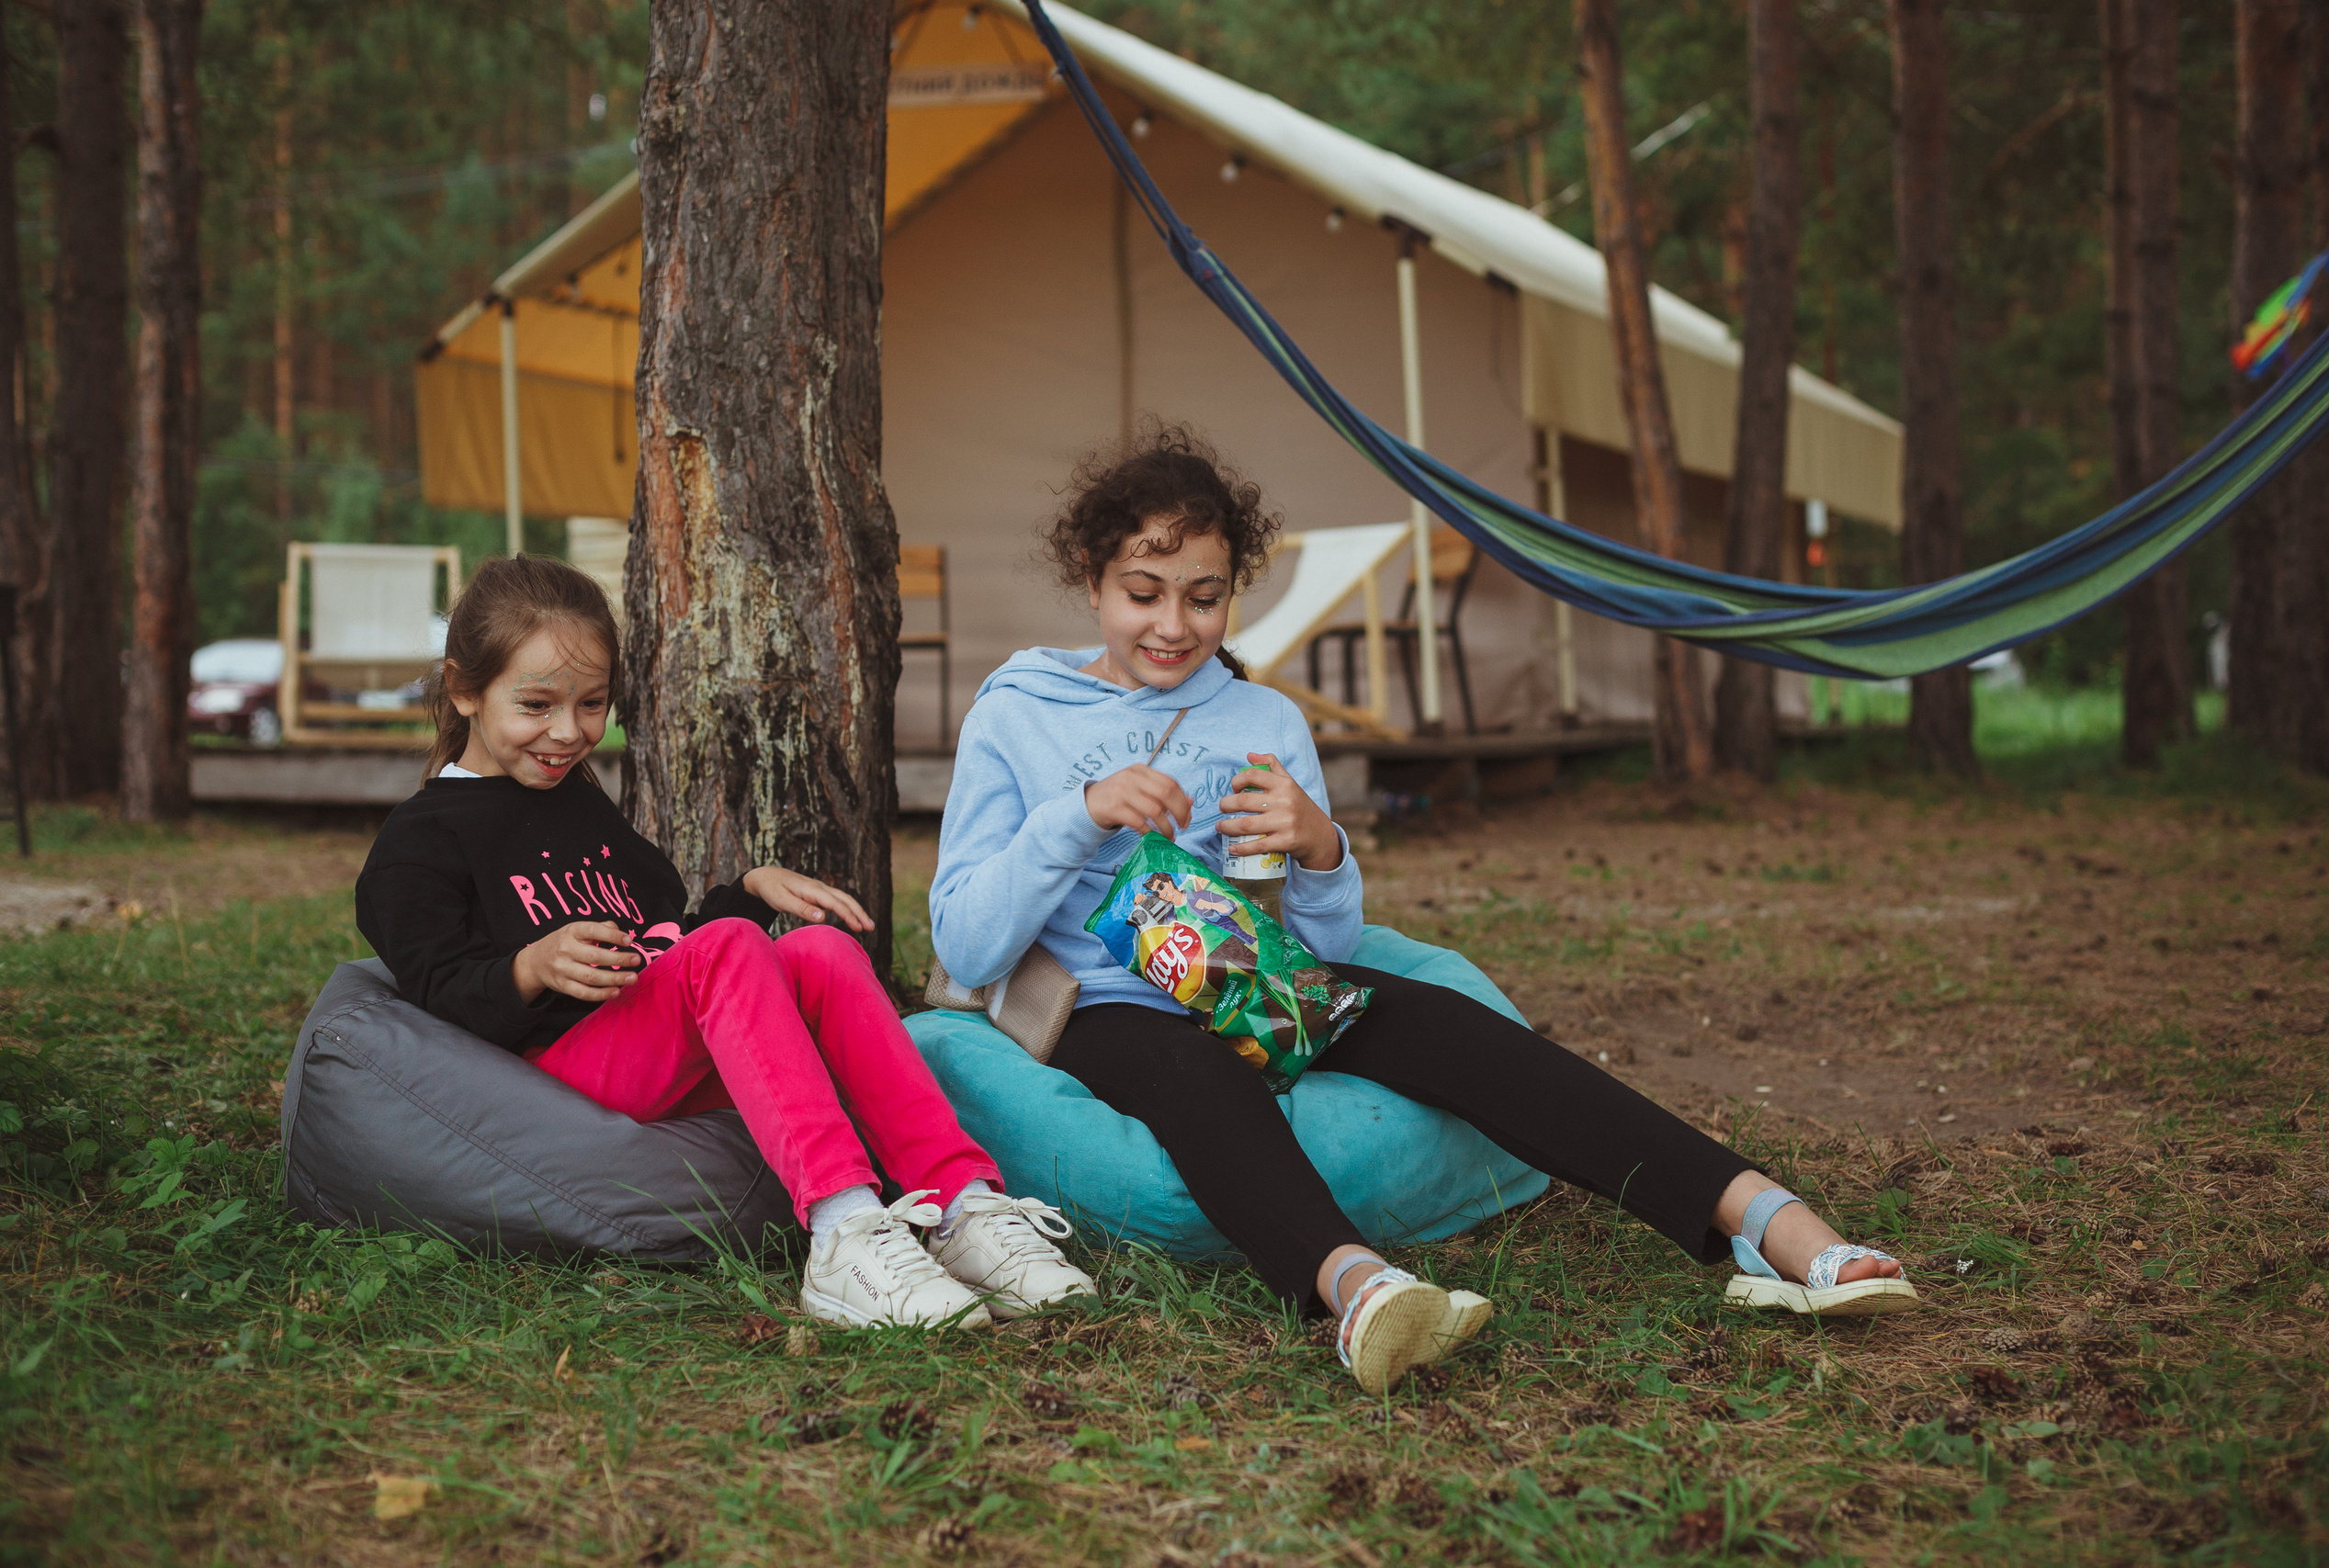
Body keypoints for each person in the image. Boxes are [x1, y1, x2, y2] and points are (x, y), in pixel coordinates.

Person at [930, 424, 1916, 1393]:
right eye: (1143, 594)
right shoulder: (1019, 713)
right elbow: (964, 939)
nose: (1173, 627)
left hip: (1246, 979)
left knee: (1447, 1023)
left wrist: (1322, 849)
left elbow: (1322, 945)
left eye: (1204, 597)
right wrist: (1076, 816)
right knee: (1195, 1070)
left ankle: (1773, 1225)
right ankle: (1358, 1289)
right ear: (1093, 582)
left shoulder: (1261, 718)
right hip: (1101, 1009)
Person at [355, 557, 1094, 1331]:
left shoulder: (576, 800)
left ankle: (964, 1205)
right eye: (535, 703)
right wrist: (527, 967)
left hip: (644, 1030)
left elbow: (668, 946)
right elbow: (438, 990)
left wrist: (745, 890)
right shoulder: (423, 840)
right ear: (464, 688)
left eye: (592, 704)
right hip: (558, 1063)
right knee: (738, 947)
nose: (568, 731)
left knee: (822, 953)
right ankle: (843, 1227)